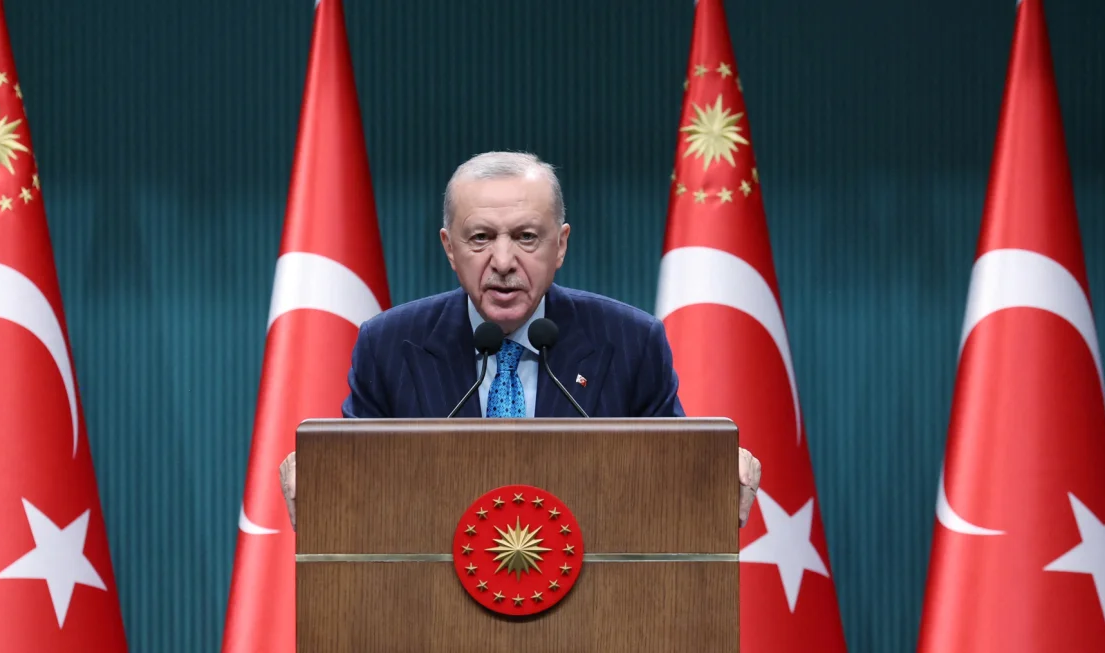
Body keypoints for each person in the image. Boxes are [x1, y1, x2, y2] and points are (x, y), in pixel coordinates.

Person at [279, 151, 761, 528]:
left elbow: (674, 477)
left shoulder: (631, 343)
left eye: (527, 237)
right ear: (450, 248)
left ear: (561, 245)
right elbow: (351, 478)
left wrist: (710, 470)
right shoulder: (389, 346)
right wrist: (323, 475)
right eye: (481, 238)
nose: (504, 260)